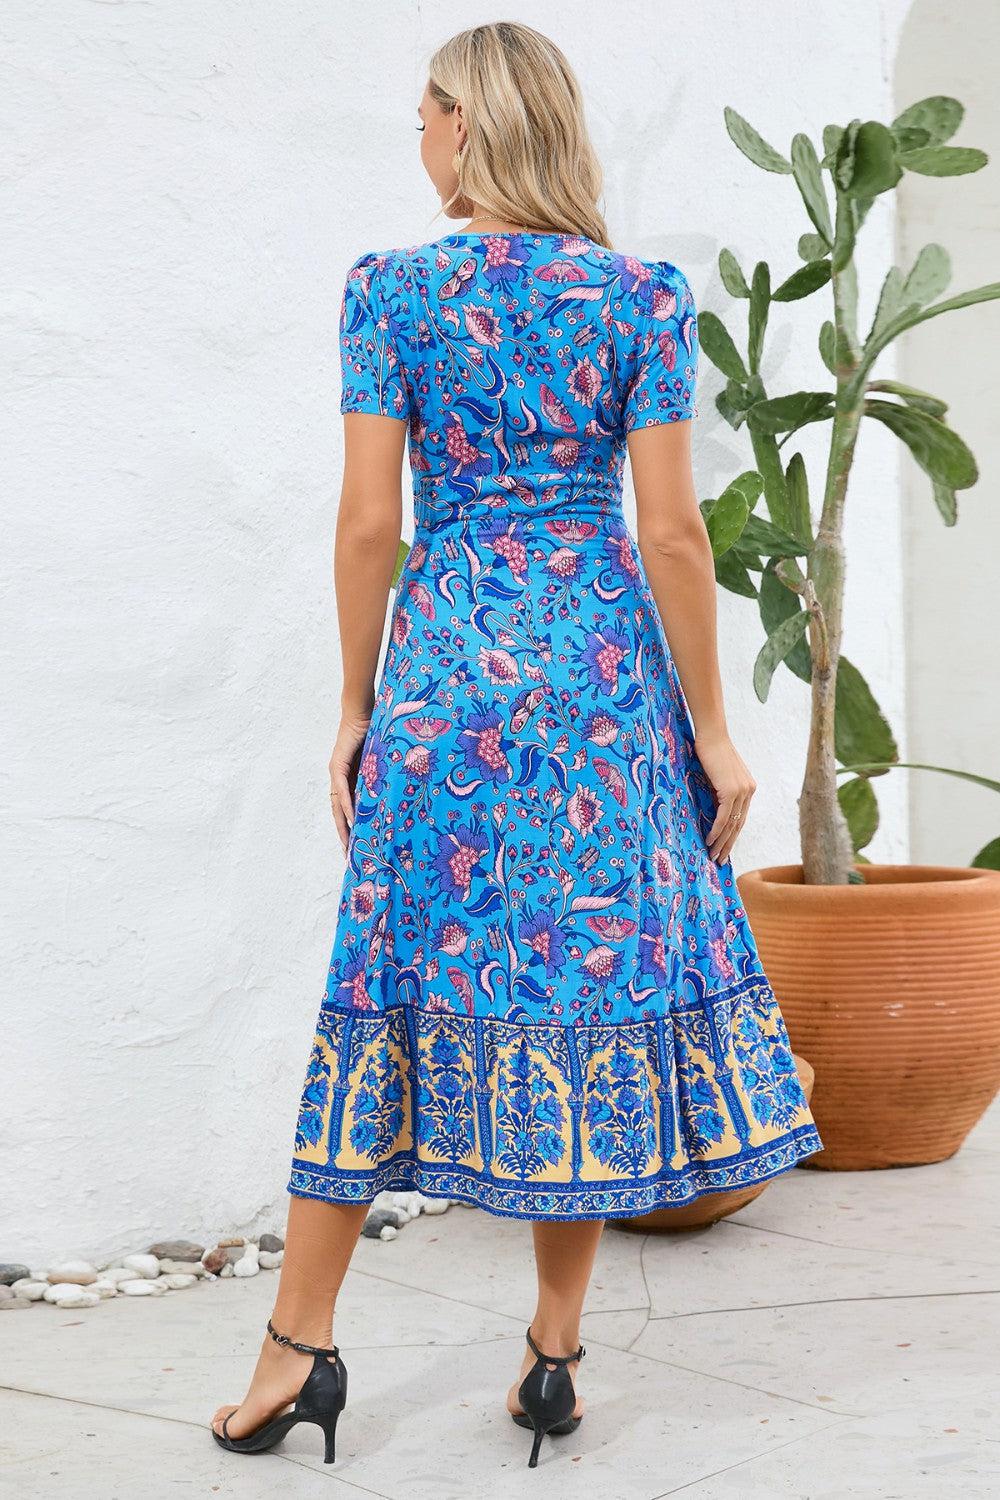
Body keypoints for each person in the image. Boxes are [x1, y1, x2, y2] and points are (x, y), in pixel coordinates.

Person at [211, 19, 822, 1470]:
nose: (415, 140)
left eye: (425, 115)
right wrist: (716, 733)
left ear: (468, 127)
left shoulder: (393, 296)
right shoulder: (641, 298)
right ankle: (553, 1358)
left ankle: (298, 1346)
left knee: (388, 978)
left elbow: (371, 524)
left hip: (448, 680)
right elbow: (671, 532)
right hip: (605, 679)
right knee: (584, 982)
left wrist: (359, 706)